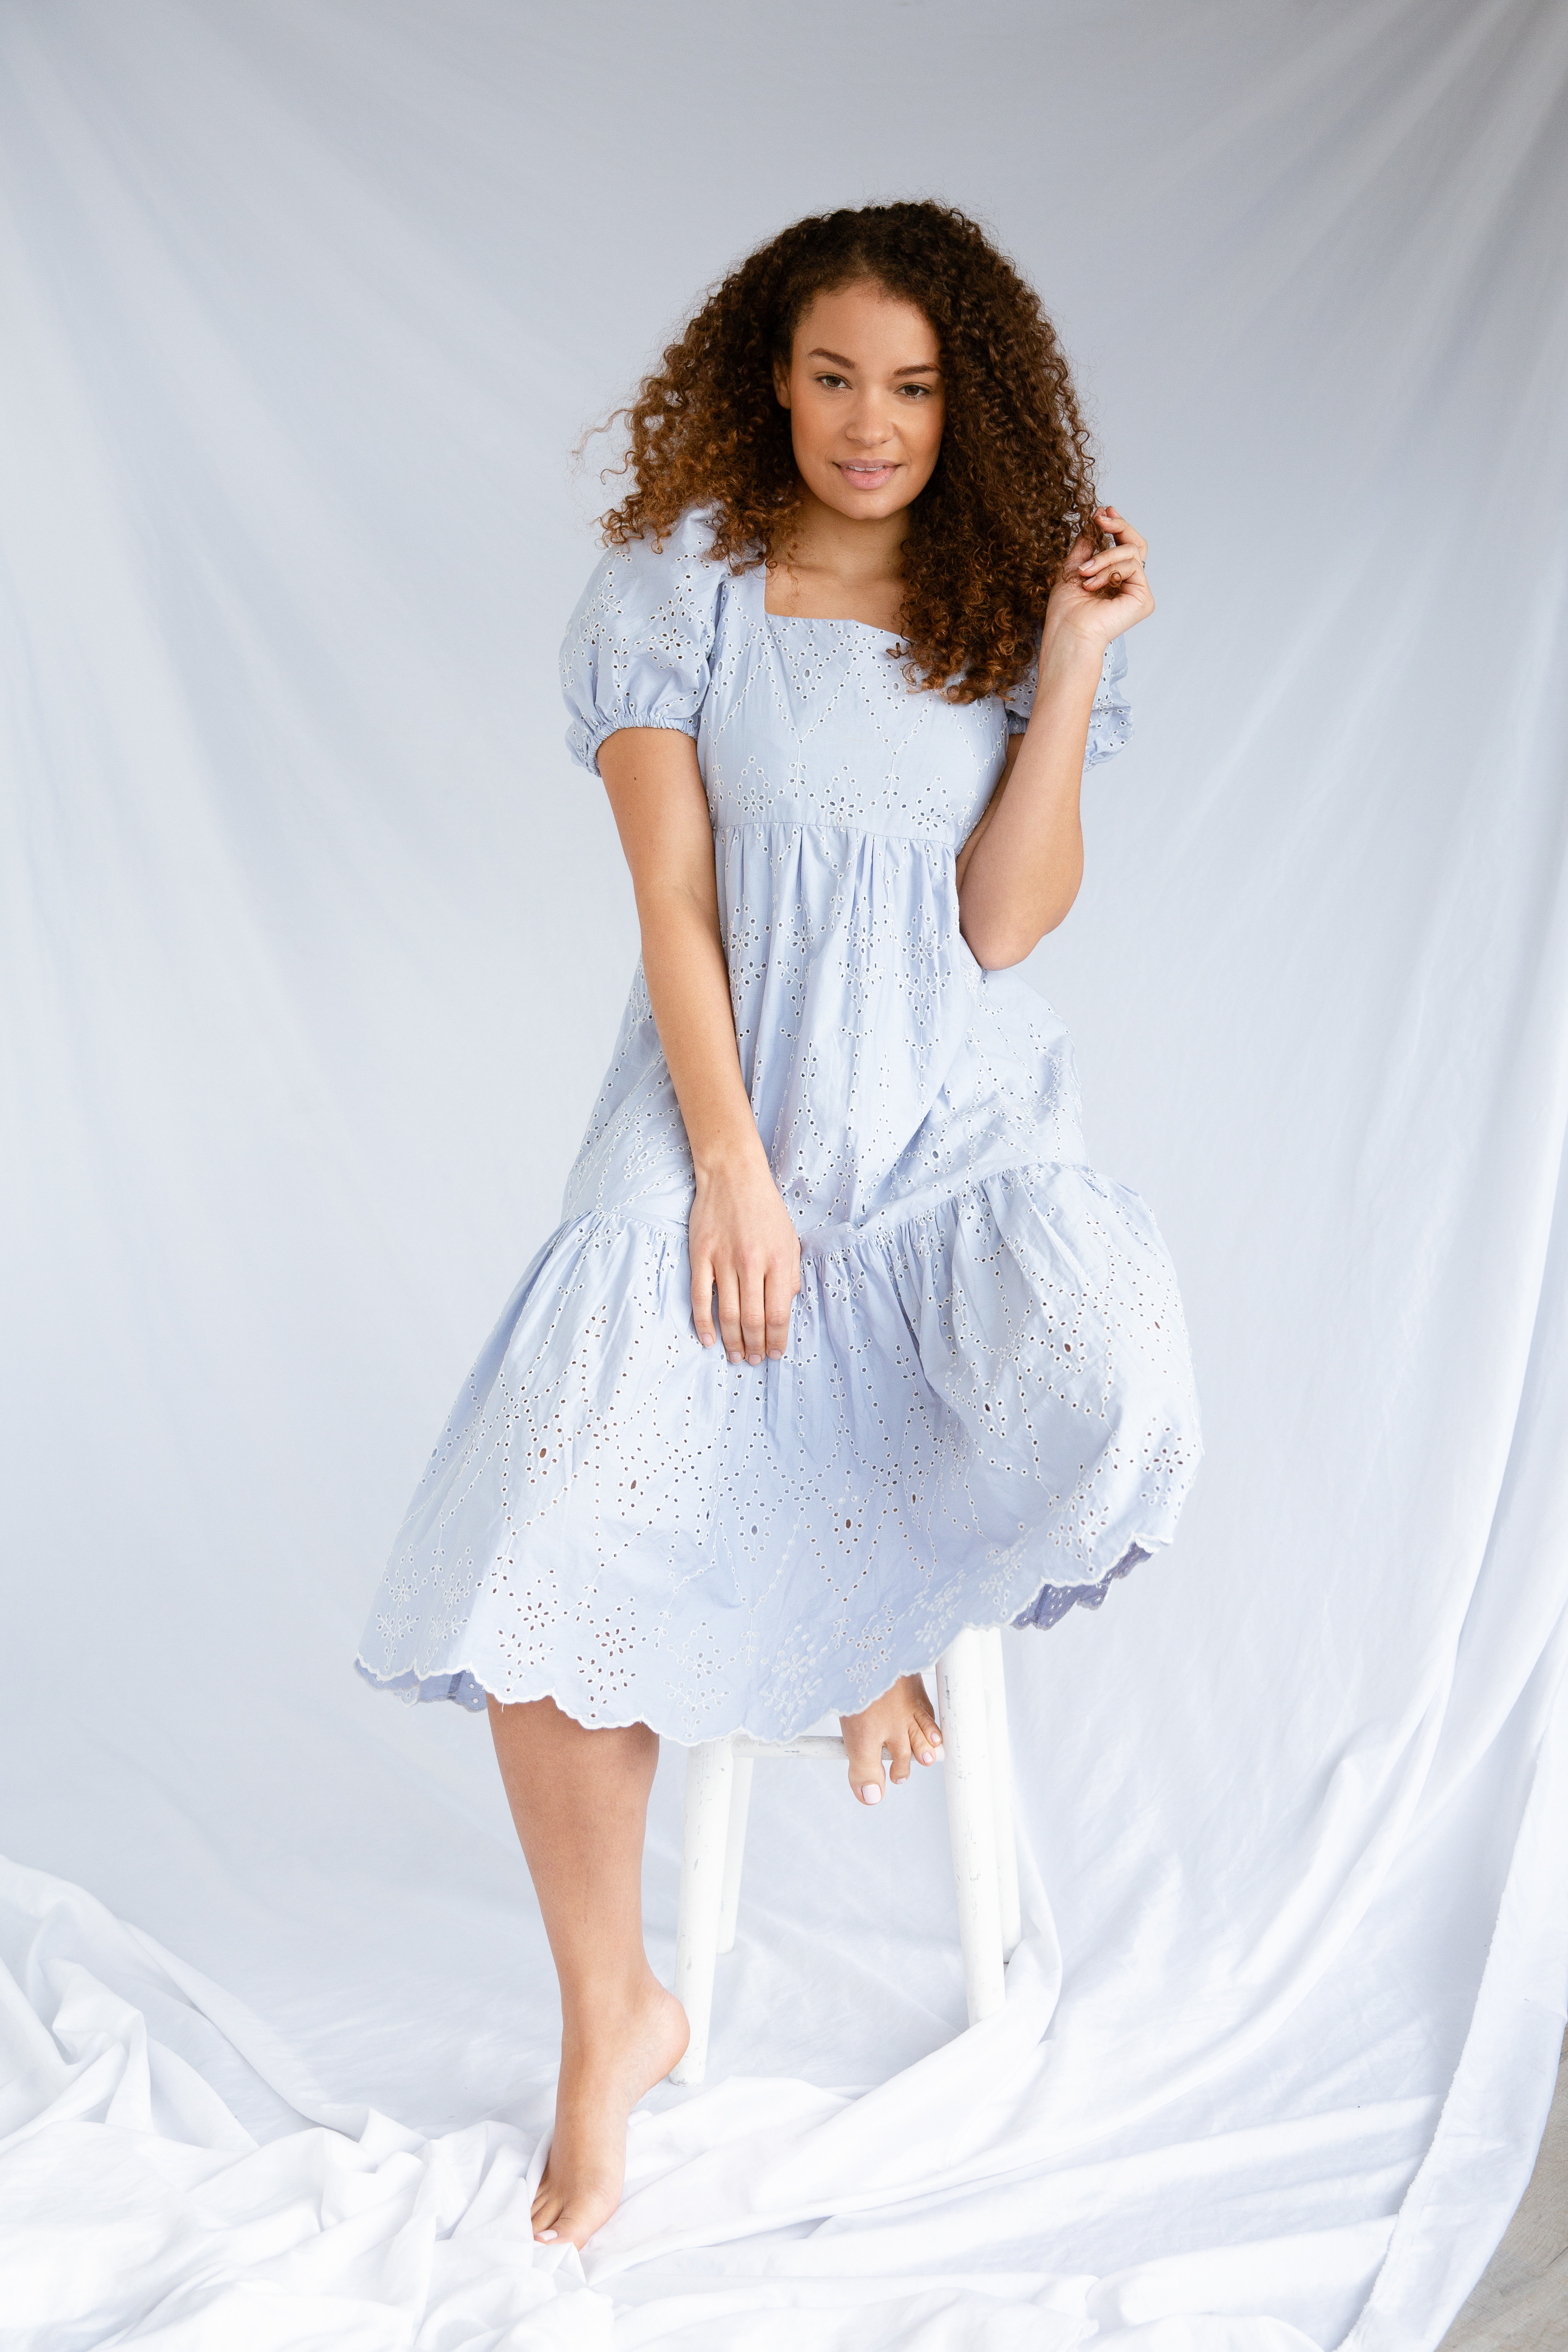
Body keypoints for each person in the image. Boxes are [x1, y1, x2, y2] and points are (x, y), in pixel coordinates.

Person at [355, 200, 1201, 2247]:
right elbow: (671, 900)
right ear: (773, 377)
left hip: (951, 1117)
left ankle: (875, 1616)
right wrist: (732, 1164)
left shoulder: (999, 604)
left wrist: (1072, 658)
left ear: (968, 402)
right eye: (833, 376)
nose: (869, 422)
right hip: (719, 1092)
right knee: (547, 1507)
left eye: (911, 386)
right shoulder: (682, 588)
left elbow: (1004, 922)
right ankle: (612, 2017)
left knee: (1107, 1377)